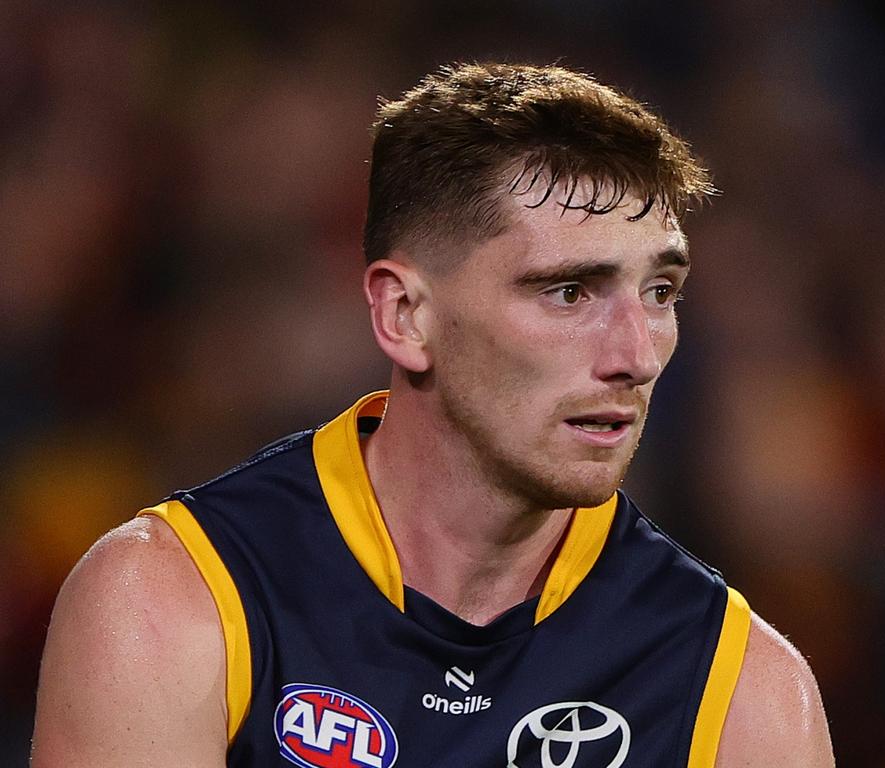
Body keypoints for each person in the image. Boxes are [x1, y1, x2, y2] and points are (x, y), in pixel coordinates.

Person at [32, 62, 834, 767]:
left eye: (660, 293)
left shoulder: (739, 696)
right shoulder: (171, 606)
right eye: (568, 291)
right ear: (406, 315)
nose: (637, 353)